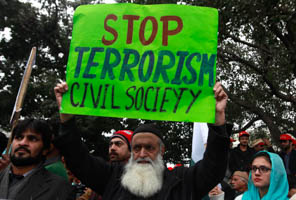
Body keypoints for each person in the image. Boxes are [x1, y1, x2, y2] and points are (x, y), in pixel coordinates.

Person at [53, 81, 230, 200]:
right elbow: (78, 159)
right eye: (136, 148)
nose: (142, 154)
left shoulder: (183, 180)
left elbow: (214, 166)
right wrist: (67, 119)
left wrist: (217, 120)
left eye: (149, 148)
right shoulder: (112, 177)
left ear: (161, 151)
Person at [0, 119, 74, 200]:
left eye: (32, 139)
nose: (23, 143)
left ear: (45, 149)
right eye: (19, 137)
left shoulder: (59, 188)